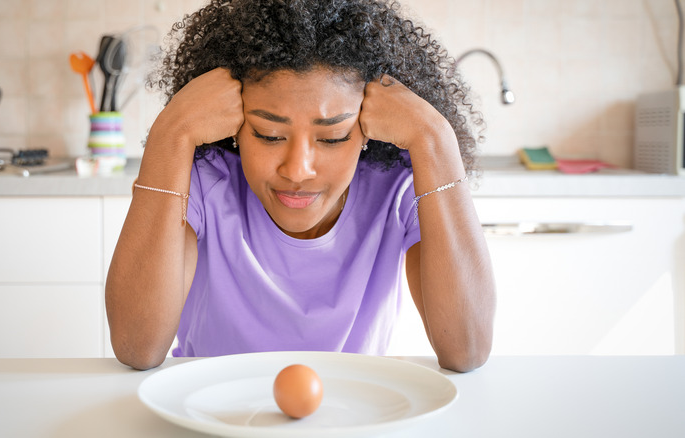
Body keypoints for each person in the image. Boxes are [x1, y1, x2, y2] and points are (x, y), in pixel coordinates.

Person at [106, 0, 496, 372]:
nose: (297, 170)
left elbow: (468, 349)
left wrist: (434, 139)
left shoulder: (398, 190)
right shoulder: (206, 181)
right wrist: (171, 132)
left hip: (354, 416)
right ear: (234, 126)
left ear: (367, 132)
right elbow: (137, 346)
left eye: (332, 138)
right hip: (211, 411)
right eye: (269, 134)